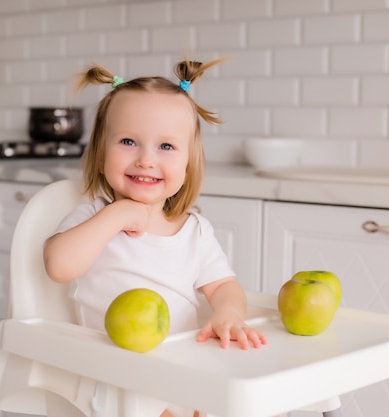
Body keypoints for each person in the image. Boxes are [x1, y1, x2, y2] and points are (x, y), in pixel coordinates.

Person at [43, 58, 269, 417]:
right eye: (129, 141)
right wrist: (116, 214)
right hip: (115, 372)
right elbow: (58, 265)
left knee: (255, 402)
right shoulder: (94, 216)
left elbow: (224, 285)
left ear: (188, 164)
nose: (146, 160)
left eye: (166, 147)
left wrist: (227, 312)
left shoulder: (194, 231)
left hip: (182, 367)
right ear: (101, 155)